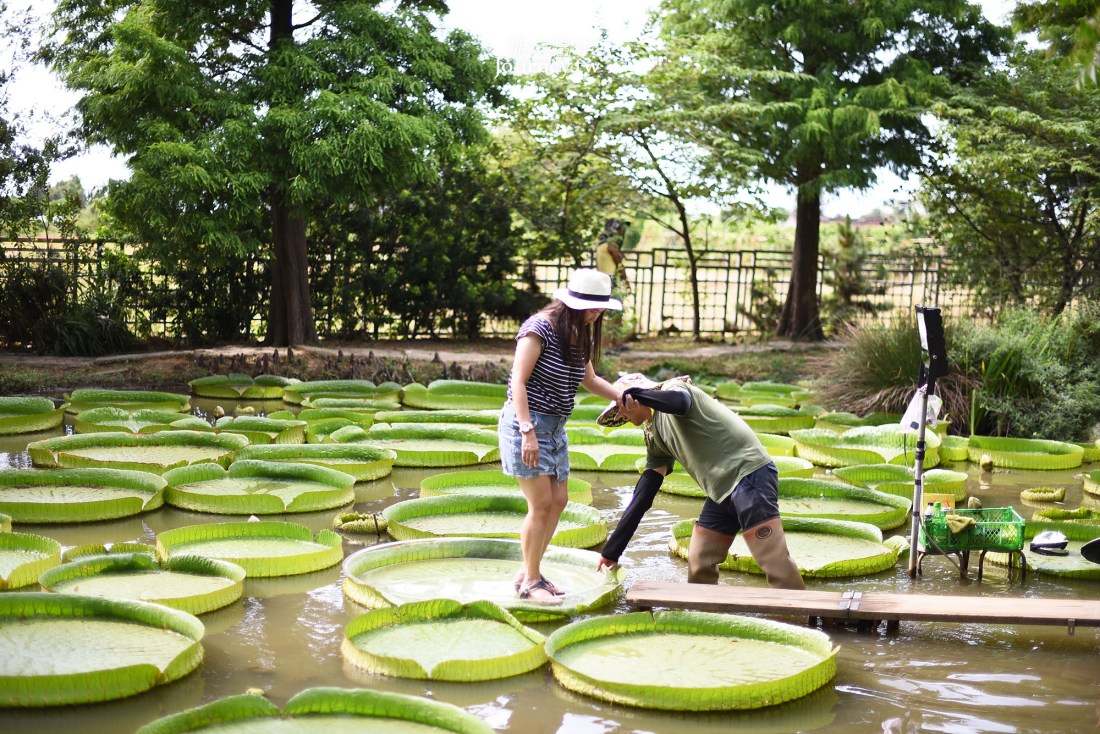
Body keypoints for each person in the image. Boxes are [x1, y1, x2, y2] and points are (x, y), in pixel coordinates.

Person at [594, 373, 805, 590]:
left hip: (749, 475)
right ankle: (703, 616)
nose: (621, 414)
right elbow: (643, 496)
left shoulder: (675, 388)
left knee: (772, 560)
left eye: (620, 406)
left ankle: (797, 618)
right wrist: (612, 551)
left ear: (636, 399)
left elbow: (681, 403)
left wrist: (639, 396)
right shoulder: (654, 436)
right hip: (721, 491)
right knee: (699, 560)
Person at [499, 268, 624, 602]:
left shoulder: (578, 332)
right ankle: (531, 581)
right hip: (527, 424)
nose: (597, 313)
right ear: (572, 302)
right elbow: (518, 382)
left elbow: (590, 380)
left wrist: (620, 397)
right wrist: (527, 432)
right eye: (592, 307)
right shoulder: (539, 328)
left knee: (559, 501)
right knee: (540, 504)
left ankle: (529, 572)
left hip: (555, 426)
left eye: (601, 308)